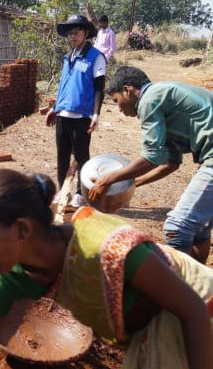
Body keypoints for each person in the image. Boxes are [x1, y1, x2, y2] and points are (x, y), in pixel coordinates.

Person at [0, 168, 213, 369]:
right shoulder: (8, 281)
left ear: (21, 230)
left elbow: (194, 312)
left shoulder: (106, 248)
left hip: (199, 321)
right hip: (146, 338)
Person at [89, 66, 213, 264]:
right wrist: (132, 184)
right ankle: (201, 289)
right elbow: (170, 163)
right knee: (198, 228)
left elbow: (151, 157)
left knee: (177, 227)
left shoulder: (150, 98)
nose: (119, 109)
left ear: (128, 90)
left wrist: (109, 179)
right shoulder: (165, 102)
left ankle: (176, 291)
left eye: (117, 101)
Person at [45, 14, 106, 208]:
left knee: (81, 155)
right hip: (63, 113)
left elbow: (99, 88)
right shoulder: (68, 57)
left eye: (77, 32)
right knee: (61, 155)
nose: (73, 36)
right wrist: (54, 108)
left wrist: (96, 114)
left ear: (86, 33)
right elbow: (64, 85)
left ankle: (81, 193)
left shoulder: (95, 56)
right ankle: (63, 190)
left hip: (82, 114)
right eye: (70, 33)